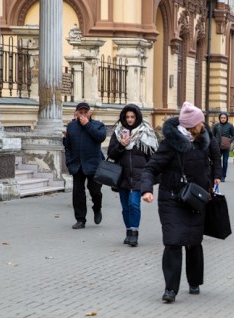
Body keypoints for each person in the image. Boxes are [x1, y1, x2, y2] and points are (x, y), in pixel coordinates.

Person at [141, 102, 221, 304]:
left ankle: (194, 281)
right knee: (173, 241)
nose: (203, 124)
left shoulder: (203, 140)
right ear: (191, 125)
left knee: (193, 241)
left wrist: (213, 180)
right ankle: (170, 289)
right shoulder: (171, 144)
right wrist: (147, 189)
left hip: (196, 200)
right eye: (200, 122)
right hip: (172, 199)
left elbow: (212, 161)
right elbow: (151, 168)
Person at [107, 104, 158, 247]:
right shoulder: (118, 132)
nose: (130, 120)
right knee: (125, 207)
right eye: (127, 117)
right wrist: (121, 146)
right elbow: (111, 154)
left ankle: (134, 233)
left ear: (137, 117)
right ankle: (128, 231)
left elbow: (152, 156)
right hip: (122, 175)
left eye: (132, 117)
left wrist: (152, 175)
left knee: (134, 204)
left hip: (139, 175)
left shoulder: (145, 132)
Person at [64, 102, 107, 229]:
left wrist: (87, 125)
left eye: (85, 112)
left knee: (95, 191)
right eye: (80, 112)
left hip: (93, 165)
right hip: (77, 165)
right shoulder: (71, 127)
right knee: (78, 193)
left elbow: (100, 137)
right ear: (76, 113)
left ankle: (97, 208)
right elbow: (68, 146)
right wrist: (69, 161)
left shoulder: (98, 125)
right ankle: (80, 219)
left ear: (89, 113)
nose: (83, 115)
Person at [212, 112, 234, 182]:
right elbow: (212, 135)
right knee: (217, 161)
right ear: (219, 118)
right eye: (221, 118)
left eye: (224, 118)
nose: (223, 119)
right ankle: (218, 175)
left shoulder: (230, 126)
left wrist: (229, 141)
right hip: (217, 146)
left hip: (226, 147)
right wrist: (215, 142)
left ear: (226, 118)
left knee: (225, 161)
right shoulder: (216, 126)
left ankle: (223, 176)